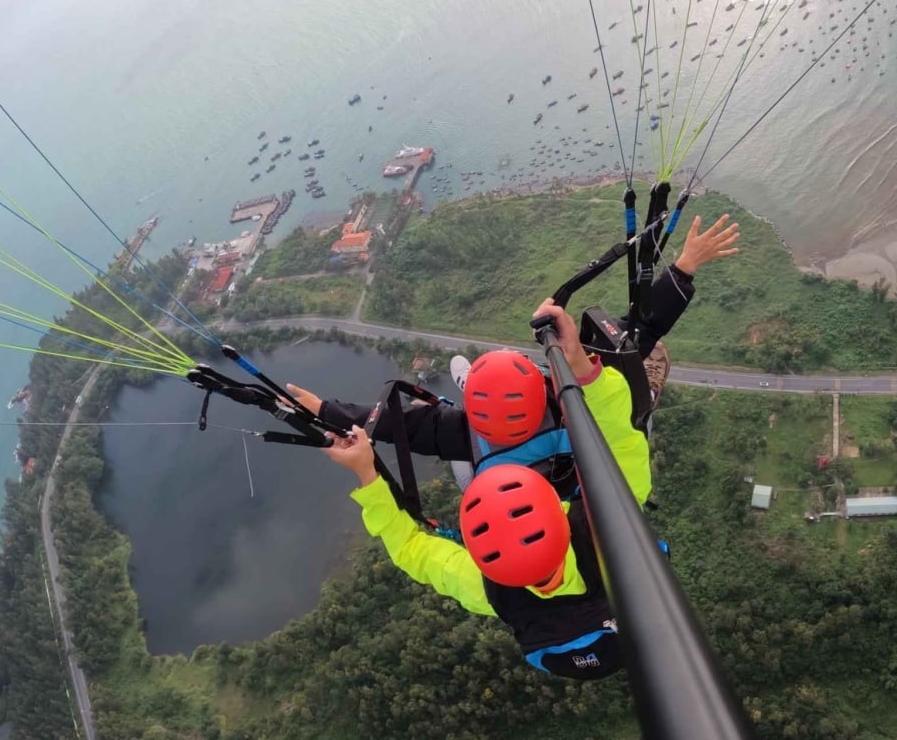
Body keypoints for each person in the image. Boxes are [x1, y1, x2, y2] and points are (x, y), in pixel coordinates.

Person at [289, 213, 739, 492]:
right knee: (645, 358)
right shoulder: (587, 410)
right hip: (563, 462)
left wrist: (326, 410)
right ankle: (478, 429)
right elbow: (642, 335)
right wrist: (684, 267)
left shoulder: (464, 429)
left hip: (503, 471)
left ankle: (477, 403)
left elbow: (391, 423)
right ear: (543, 385)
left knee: (460, 453)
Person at [320, 303, 650, 679]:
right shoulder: (610, 530)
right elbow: (620, 437)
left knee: (466, 456)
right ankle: (471, 418)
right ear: (562, 511)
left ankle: (469, 405)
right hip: (593, 632)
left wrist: (367, 473)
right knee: (467, 464)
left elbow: (413, 550)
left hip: (579, 643)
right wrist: (578, 364)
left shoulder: (495, 586)